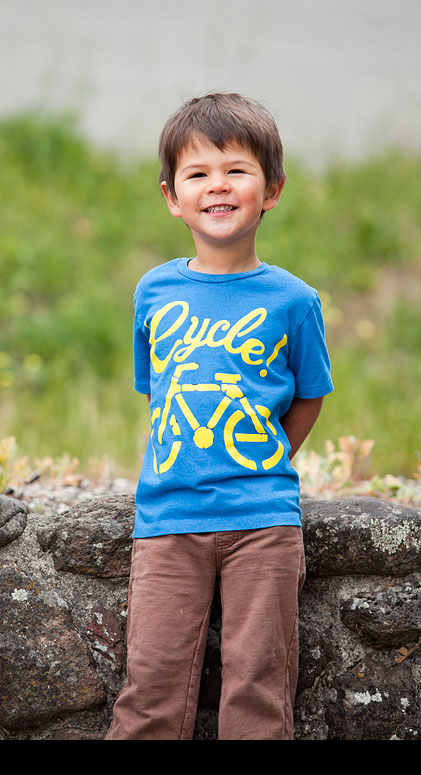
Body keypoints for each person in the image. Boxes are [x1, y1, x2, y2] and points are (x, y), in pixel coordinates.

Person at [106, 93, 333, 740]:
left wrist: (264, 458)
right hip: (166, 517)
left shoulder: (294, 300)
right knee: (149, 692)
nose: (218, 186)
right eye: (198, 174)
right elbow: (161, 393)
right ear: (171, 196)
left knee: (257, 695)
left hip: (263, 521)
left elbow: (310, 394)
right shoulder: (154, 291)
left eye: (237, 170)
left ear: (272, 190)